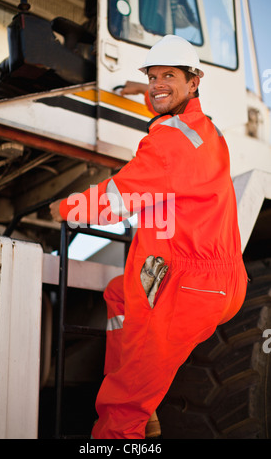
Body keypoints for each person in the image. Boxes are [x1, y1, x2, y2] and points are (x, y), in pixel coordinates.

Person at [50, 35, 248, 439]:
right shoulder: (205, 130)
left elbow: (118, 198)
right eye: (153, 76)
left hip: (187, 285)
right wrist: (150, 91)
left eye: (169, 76)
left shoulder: (170, 141)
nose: (158, 83)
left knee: (120, 411)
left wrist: (67, 208)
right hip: (218, 282)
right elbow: (171, 121)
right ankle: (145, 396)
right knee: (120, 294)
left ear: (195, 81)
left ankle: (133, 414)